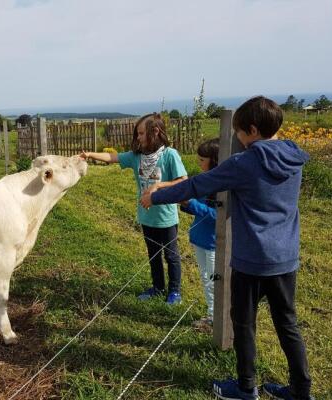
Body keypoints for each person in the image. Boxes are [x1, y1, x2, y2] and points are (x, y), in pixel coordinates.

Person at [140, 97, 313, 400]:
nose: (238, 140)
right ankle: (301, 390)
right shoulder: (293, 156)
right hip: (286, 257)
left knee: (243, 323)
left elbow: (197, 185)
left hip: (251, 259)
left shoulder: (245, 162)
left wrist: (155, 196)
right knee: (288, 324)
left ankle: (246, 387)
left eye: (240, 134)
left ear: (253, 129)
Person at [81, 113, 187, 304]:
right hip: (146, 218)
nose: (138, 137)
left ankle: (175, 291)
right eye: (137, 134)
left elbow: (183, 181)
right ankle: (158, 287)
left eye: (141, 133)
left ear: (155, 131)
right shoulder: (136, 157)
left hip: (166, 218)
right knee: (153, 254)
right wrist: (89, 154)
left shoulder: (170, 155)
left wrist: (158, 186)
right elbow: (112, 157)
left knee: (171, 255)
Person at [180, 138, 219, 331]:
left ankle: (216, 319)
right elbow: (201, 207)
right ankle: (213, 314)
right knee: (206, 278)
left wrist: (192, 204)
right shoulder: (206, 181)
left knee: (213, 281)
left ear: (214, 160)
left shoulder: (222, 187)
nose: (199, 163)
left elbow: (218, 216)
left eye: (202, 159)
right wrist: (187, 205)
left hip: (213, 243)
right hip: (200, 239)